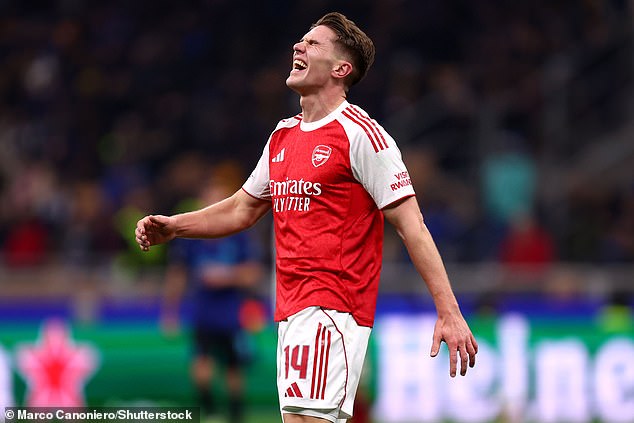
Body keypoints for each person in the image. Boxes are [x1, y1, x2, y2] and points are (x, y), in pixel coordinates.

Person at [136, 12, 478, 423]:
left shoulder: (361, 135)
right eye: (301, 40)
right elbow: (242, 208)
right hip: (291, 311)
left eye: (313, 43)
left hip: (333, 309)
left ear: (341, 69)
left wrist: (449, 311)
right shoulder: (283, 135)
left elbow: (412, 226)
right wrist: (175, 226)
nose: (298, 46)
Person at [160, 162, 264, 423]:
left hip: (230, 313)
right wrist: (170, 312)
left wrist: (226, 277)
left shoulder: (239, 235)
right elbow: (177, 275)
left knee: (233, 370)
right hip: (203, 313)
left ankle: (236, 416)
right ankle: (210, 413)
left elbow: (253, 273)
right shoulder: (191, 238)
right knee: (201, 367)